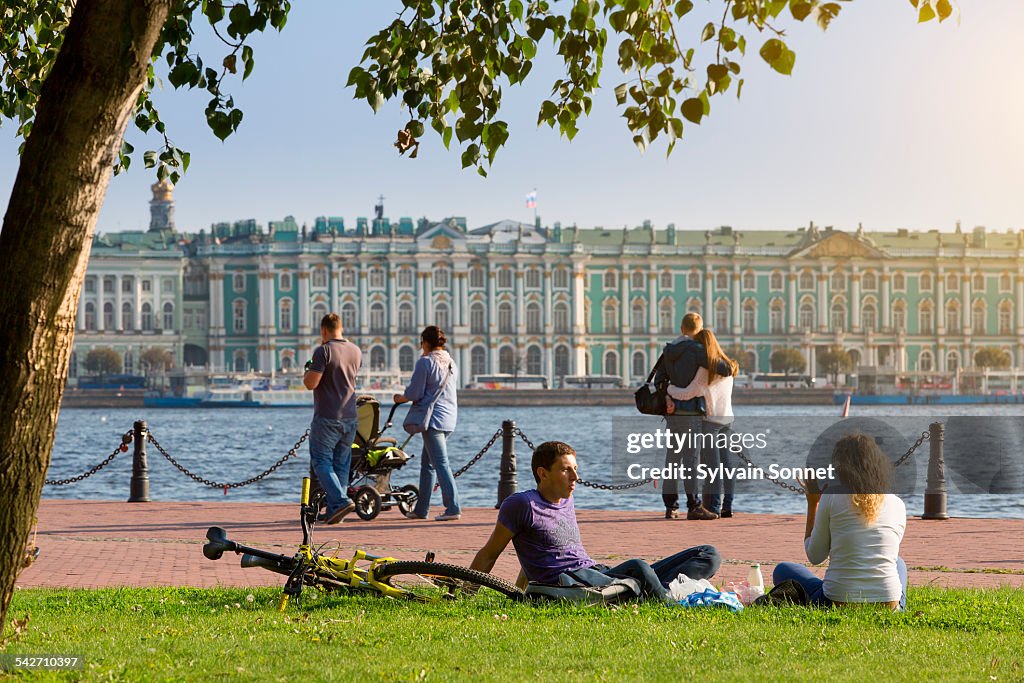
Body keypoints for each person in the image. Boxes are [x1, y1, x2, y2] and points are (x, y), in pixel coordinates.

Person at [469, 441, 721, 602]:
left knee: (708, 554)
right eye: (566, 469)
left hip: (598, 574)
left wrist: (520, 592)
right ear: (543, 473)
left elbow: (537, 552)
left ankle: (654, 591)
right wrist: (462, 593)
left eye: (576, 468)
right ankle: (665, 603)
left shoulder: (566, 500)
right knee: (638, 568)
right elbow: (489, 554)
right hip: (571, 583)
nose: (575, 476)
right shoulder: (521, 504)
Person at [773, 433, 908, 610]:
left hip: (836, 601)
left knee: (783, 569)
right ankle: (900, 606)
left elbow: (815, 556)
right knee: (898, 563)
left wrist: (813, 503)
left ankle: (838, 586)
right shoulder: (897, 503)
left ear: (840, 468)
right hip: (887, 605)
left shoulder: (832, 497)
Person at [653, 312, 732, 520]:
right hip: (691, 414)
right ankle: (694, 506)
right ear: (699, 330)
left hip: (672, 415)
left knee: (672, 460)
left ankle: (670, 507)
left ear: (681, 328)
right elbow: (724, 369)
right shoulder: (697, 350)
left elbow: (658, 380)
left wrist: (668, 398)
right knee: (691, 462)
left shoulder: (668, 350)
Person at [394, 325, 461, 521]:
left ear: (426, 343)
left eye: (421, 343)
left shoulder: (425, 362)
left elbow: (415, 393)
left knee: (440, 463)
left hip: (432, 419)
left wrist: (401, 397)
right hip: (449, 419)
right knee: (428, 464)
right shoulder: (451, 363)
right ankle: (421, 509)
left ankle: (453, 507)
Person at [303, 312, 362, 525]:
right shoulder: (355, 351)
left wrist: (308, 370)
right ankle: (336, 510)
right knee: (342, 465)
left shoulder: (323, 351)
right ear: (341, 328)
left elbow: (311, 383)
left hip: (328, 416)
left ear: (324, 331)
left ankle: (341, 500)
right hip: (350, 416)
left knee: (321, 462)